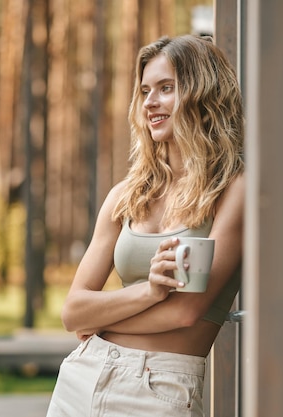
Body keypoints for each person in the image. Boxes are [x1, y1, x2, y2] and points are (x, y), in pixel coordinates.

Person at [46, 34, 244, 417]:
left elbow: (186, 312)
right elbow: (72, 311)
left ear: (201, 93)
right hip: (83, 375)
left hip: (160, 387)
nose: (150, 102)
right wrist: (150, 293)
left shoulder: (232, 190)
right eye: (145, 91)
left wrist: (101, 317)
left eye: (166, 88)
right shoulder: (126, 195)